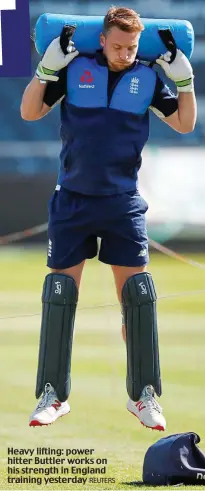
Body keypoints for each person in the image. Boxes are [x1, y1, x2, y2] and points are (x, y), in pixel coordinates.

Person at [21, 6, 196, 430]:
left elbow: (185, 124)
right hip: (73, 200)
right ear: (102, 40)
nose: (124, 53)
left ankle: (144, 396)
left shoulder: (150, 77)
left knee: (137, 297)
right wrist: (46, 70)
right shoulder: (74, 66)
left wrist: (185, 81)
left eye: (132, 47)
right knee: (60, 293)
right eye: (117, 46)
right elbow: (30, 112)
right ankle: (53, 394)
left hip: (122, 202)